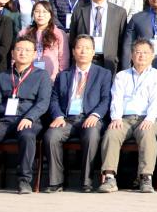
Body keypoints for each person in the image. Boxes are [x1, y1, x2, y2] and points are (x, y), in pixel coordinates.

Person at [0, 37, 52, 194]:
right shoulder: (2, 76)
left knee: (27, 136)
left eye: (27, 50)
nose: (22, 53)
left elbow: (43, 102)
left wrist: (29, 118)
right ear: (13, 53)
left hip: (29, 120)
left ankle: (24, 180)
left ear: (34, 54)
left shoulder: (42, 75)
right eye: (19, 50)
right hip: (4, 120)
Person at [42, 34, 112, 193]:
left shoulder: (103, 74)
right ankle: (56, 182)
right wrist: (58, 115)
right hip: (66, 119)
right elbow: (54, 99)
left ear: (93, 52)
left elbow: (106, 99)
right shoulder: (63, 75)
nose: (83, 51)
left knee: (92, 135)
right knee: (51, 136)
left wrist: (95, 115)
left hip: (90, 117)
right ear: (73, 52)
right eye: (79, 48)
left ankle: (87, 181)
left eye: (87, 48)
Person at [98, 38, 157, 193]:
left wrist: (150, 118)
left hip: (147, 118)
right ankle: (109, 178)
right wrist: (116, 117)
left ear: (152, 56)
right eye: (138, 52)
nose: (141, 56)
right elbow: (116, 98)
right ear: (131, 55)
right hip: (124, 118)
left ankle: (145, 178)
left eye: (145, 53)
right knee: (111, 133)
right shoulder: (121, 76)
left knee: (147, 135)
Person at [19, 0, 68, 79]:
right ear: (33, 14)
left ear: (50, 15)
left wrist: (61, 78)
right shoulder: (24, 33)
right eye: (37, 11)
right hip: (27, 77)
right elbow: (16, 55)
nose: (41, 15)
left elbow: (63, 59)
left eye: (44, 12)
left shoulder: (59, 34)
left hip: (51, 78)